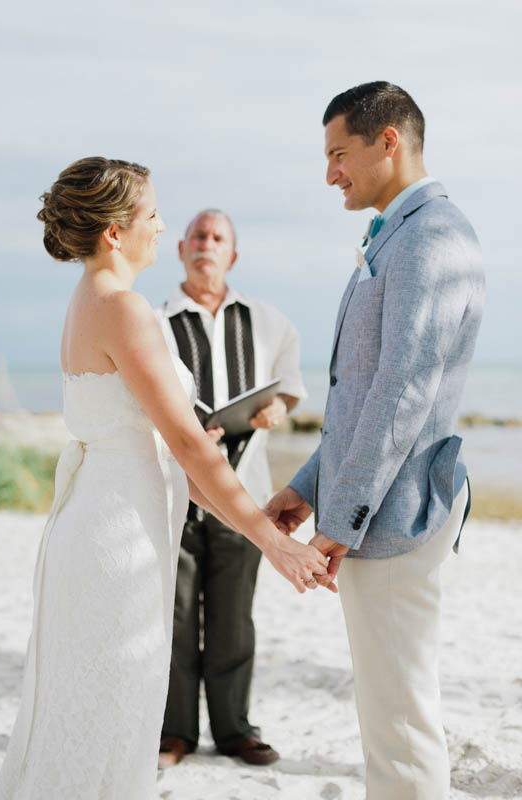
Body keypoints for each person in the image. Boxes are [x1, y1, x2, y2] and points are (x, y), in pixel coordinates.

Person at [0, 158, 329, 800]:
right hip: (119, 540)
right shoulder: (125, 307)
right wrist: (273, 540)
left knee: (106, 709)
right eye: (152, 216)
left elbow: (172, 449)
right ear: (115, 232)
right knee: (113, 709)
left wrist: (254, 526)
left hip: (105, 520)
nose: (163, 227)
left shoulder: (90, 297)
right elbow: (186, 446)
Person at [266, 82, 485, 800]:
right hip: (374, 506)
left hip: (395, 513)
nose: (331, 173)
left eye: (339, 154)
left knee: (400, 716)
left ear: (387, 140)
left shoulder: (431, 236)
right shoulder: (397, 232)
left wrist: (343, 518)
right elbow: (360, 397)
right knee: (387, 709)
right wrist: (307, 488)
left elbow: (403, 392)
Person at [155, 209, 307, 767]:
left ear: (232, 255)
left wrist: (274, 410)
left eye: (218, 238)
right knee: (172, 615)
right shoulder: (153, 322)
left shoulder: (268, 320)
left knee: (234, 616)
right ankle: (174, 733)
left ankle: (237, 730)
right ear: (180, 248)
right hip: (174, 493)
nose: (207, 244)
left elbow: (289, 388)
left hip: (248, 492)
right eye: (198, 235)